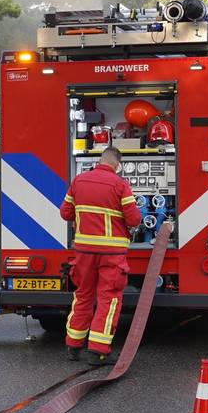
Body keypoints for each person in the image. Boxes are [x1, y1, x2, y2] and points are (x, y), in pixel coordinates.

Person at [59, 147, 142, 366]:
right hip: (111, 254)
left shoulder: (79, 181)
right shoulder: (120, 184)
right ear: (118, 164)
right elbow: (133, 219)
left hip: (84, 252)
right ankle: (98, 351)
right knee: (109, 298)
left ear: (99, 161)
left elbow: (65, 213)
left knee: (83, 295)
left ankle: (73, 345)